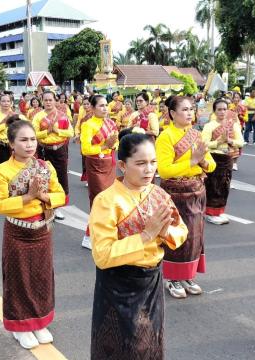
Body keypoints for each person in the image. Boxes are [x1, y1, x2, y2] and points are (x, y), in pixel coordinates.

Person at [89, 130, 188, 360]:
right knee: (121, 347)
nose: (149, 169)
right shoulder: (107, 201)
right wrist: (146, 235)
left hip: (151, 282)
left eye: (153, 162)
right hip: (118, 285)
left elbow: (181, 231)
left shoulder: (158, 194)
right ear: (123, 165)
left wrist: (165, 233)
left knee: (150, 344)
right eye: (141, 163)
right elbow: (102, 255)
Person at [0, 117, 65, 349]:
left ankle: (39, 322)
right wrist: (28, 197)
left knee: (41, 277)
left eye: (32, 139)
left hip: (42, 230)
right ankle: (19, 327)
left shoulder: (45, 167)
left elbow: (61, 195)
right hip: (17, 233)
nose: (30, 144)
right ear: (12, 144)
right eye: (23, 140)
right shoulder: (2, 171)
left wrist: (45, 197)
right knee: (18, 279)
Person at [156, 96, 216, 298]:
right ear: (172, 113)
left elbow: (211, 163)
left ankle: (188, 275)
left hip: (196, 192)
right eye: (185, 109)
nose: (190, 113)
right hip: (175, 193)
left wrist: (204, 163)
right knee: (176, 234)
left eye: (192, 109)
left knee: (195, 236)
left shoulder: (196, 135)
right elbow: (164, 171)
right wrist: (192, 161)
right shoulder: (166, 137)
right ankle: (173, 278)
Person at [80, 94, 119, 249]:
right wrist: (104, 146)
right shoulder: (88, 125)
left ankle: (105, 233)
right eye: (101, 105)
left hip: (109, 163)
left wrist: (113, 144)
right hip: (95, 165)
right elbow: (85, 149)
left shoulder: (111, 123)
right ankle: (89, 236)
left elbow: (115, 142)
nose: (105, 108)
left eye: (106, 105)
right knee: (98, 199)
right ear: (93, 107)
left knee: (110, 200)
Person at [32, 91, 74, 220]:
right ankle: (46, 206)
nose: (48, 102)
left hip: (60, 150)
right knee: (45, 178)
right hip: (44, 151)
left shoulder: (62, 115)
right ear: (42, 101)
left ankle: (58, 207)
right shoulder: (38, 116)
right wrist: (46, 132)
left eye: (50, 100)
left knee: (61, 178)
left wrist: (57, 131)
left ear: (55, 100)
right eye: (46, 100)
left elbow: (70, 133)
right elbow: (34, 134)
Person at [202, 99, 244, 225]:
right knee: (213, 186)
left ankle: (219, 211)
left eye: (224, 109)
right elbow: (204, 145)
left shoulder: (234, 125)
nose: (222, 112)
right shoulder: (209, 126)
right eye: (219, 109)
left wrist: (230, 141)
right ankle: (210, 212)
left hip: (228, 159)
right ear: (214, 111)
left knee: (225, 186)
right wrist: (218, 142)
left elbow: (241, 142)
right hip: (214, 158)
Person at [0, 94, 25, 165]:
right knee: (2, 168)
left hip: (15, 146)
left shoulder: (16, 115)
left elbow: (27, 125)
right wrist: (6, 123)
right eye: (3, 101)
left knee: (16, 167)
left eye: (8, 101)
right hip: (1, 145)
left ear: (11, 103)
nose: (6, 103)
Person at [74, 97, 93, 184]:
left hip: (94, 139)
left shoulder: (95, 113)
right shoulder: (82, 113)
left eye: (87, 104)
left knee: (93, 158)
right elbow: (78, 125)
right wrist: (77, 134)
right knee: (85, 159)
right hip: (84, 139)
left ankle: (95, 178)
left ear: (91, 104)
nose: (86, 106)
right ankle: (88, 178)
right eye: (84, 104)